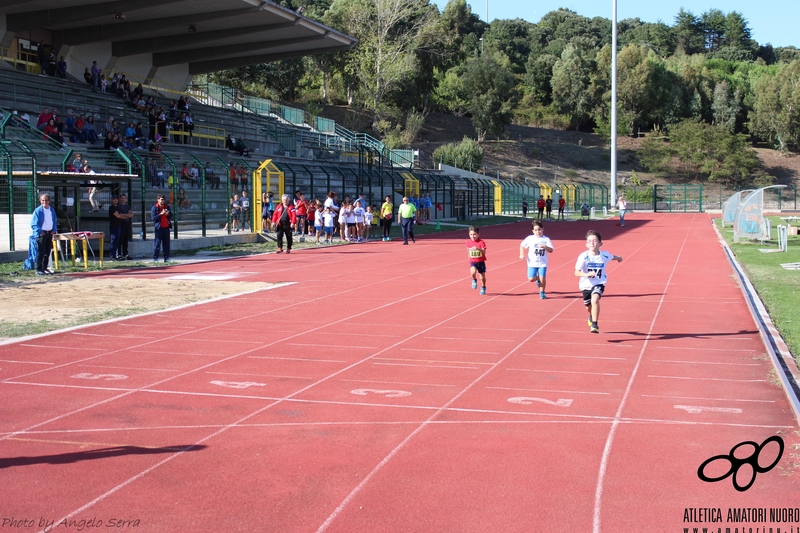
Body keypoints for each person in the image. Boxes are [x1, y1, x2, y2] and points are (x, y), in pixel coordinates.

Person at [574, 230, 623, 334]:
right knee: (588, 306)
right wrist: (586, 274)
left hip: (599, 282)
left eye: (595, 241)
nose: (592, 243)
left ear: (600, 243)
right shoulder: (583, 256)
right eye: (590, 241)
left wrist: (619, 258)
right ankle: (592, 315)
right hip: (585, 284)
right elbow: (576, 272)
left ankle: (595, 325)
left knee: (595, 299)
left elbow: (612, 257)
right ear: (586, 244)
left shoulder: (604, 255)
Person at [520, 220, 554, 300]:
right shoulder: (530, 238)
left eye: (539, 229)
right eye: (535, 230)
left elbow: (551, 250)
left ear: (543, 229)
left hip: (542, 263)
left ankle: (542, 292)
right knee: (531, 279)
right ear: (533, 231)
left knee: (543, 278)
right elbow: (522, 245)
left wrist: (545, 246)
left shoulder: (546, 239)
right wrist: (521, 254)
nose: (538, 232)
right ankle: (537, 278)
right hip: (532, 262)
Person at [31, 193, 58, 275]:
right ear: (40, 201)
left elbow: (54, 220)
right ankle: (38, 269)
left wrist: (54, 230)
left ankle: (45, 268)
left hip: (49, 233)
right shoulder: (38, 211)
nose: (44, 202)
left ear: (49, 201)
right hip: (42, 234)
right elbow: (34, 224)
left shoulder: (51, 210)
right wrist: (40, 232)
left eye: (46, 200)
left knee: (47, 252)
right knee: (41, 252)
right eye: (43, 200)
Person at [466, 226, 488, 295]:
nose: (472, 236)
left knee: (482, 278)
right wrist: (469, 256)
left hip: (481, 262)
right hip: (473, 261)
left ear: (478, 234)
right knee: (473, 272)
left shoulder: (481, 242)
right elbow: (468, 248)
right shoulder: (468, 242)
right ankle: (474, 279)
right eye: (471, 234)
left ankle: (483, 287)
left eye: (474, 234)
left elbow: (484, 252)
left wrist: (478, 249)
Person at [151, 194, 172, 263]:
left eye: (163, 199)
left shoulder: (167, 207)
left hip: (166, 228)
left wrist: (167, 214)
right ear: (158, 200)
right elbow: (153, 218)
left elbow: (171, 215)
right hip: (159, 228)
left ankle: (167, 258)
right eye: (161, 199)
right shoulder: (155, 207)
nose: (162, 201)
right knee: (157, 244)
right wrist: (161, 214)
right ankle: (155, 258)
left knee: (166, 244)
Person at [117, 194, 134, 260]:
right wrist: (126, 215)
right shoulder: (118, 206)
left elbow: (131, 214)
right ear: (120, 199)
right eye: (122, 198)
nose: (123, 199)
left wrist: (125, 215)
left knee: (125, 240)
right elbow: (119, 216)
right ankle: (118, 254)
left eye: (124, 198)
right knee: (120, 239)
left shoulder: (127, 206)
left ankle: (125, 254)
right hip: (120, 224)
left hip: (127, 223)